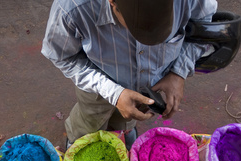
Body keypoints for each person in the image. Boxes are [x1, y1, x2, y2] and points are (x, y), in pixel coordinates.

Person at [41, 0, 217, 148]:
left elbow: (205, 28)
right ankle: (78, 139)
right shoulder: (73, 7)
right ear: (113, 3)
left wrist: (178, 72)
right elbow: (63, 57)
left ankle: (123, 129)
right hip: (97, 80)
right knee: (91, 116)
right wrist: (114, 92)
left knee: (127, 118)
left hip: (148, 83)